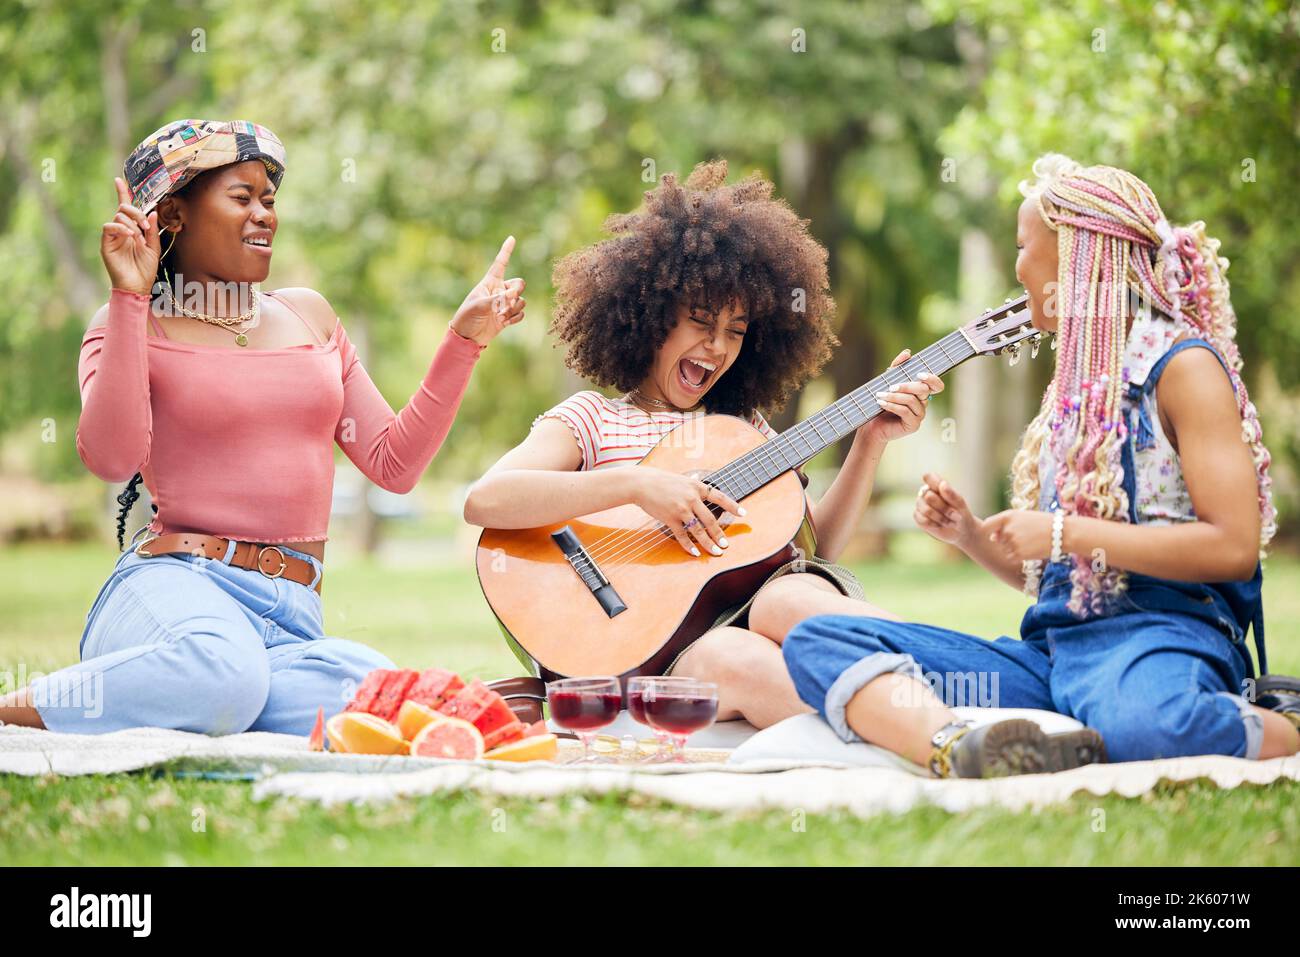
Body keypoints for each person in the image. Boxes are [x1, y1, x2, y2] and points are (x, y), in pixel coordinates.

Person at [0, 119, 523, 735]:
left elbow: (394, 464)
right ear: (172, 215)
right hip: (175, 588)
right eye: (241, 198)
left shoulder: (309, 317)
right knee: (222, 674)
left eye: (269, 200)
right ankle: (19, 709)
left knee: (393, 708)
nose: (264, 215)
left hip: (290, 618)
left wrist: (463, 341)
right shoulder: (134, 326)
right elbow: (112, 458)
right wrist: (128, 299)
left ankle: (195, 699)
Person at [783, 154, 1300, 777]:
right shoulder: (1076, 390)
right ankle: (968, 742)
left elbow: (1234, 546)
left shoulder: (1184, 368)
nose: (1017, 267)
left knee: (1146, 724)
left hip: (1158, 639)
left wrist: (1064, 532)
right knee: (818, 639)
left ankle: (1278, 718)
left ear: (1080, 254)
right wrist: (971, 536)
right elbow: (1059, 579)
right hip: (1053, 660)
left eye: (1024, 246)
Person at [464, 160, 940, 729]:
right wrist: (639, 486)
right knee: (734, 657)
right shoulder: (591, 419)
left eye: (735, 332)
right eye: (699, 322)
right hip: (631, 657)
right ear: (650, 317)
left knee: (795, 600)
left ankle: (953, 691)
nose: (716, 348)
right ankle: (927, 718)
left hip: (736, 624)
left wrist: (869, 444)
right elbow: (486, 500)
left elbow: (818, 549)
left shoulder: (744, 431)